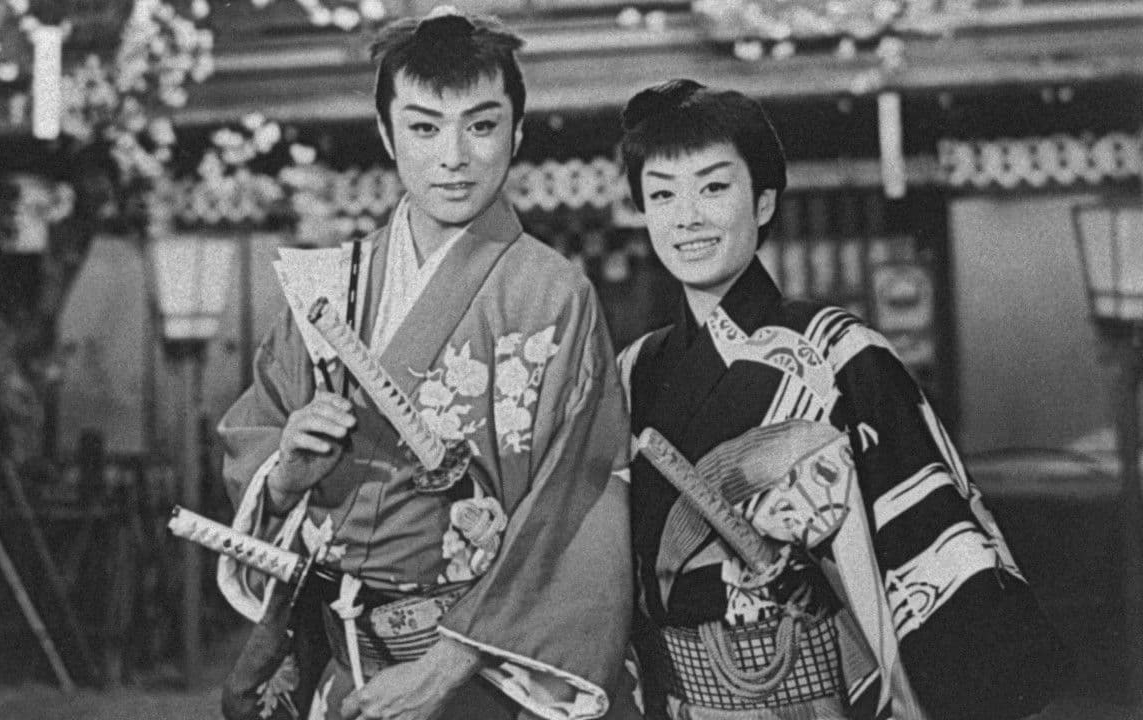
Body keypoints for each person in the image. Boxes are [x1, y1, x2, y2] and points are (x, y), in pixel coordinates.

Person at [214, 8, 636, 720]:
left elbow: (577, 501)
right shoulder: (332, 286)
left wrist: (445, 668)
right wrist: (285, 473)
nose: (454, 156)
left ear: (517, 132)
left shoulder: (553, 296)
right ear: (387, 134)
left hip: (480, 673)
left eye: (481, 125)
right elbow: (256, 438)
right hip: (341, 659)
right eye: (424, 127)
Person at [615, 79, 1066, 720]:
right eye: (662, 194)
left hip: (823, 697)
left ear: (763, 201)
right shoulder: (635, 371)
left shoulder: (841, 353)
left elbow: (930, 539)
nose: (686, 216)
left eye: (713, 187)